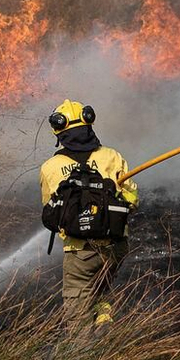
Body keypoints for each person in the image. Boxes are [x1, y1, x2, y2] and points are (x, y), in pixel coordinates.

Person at [38, 99, 139, 333]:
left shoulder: (50, 166)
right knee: (101, 287)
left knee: (78, 316)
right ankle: (105, 321)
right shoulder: (112, 156)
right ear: (89, 124)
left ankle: (86, 352)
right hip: (116, 246)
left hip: (79, 251)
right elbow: (132, 201)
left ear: (58, 131)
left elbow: (51, 214)